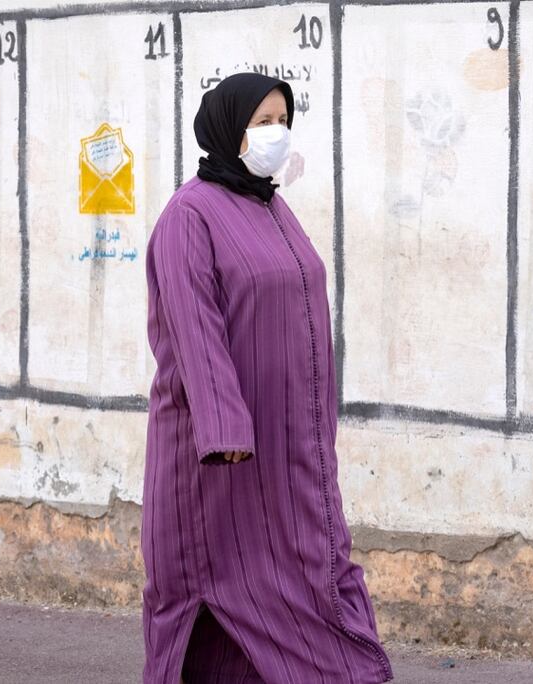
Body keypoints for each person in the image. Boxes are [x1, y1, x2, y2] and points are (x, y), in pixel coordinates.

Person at [141, 72, 394, 684]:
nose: (276, 133)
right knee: (218, 611)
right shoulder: (189, 216)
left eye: (283, 119)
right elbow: (193, 326)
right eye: (262, 121)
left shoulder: (273, 208)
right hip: (217, 467)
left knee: (314, 582)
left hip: (290, 459)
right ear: (229, 128)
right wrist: (225, 429)